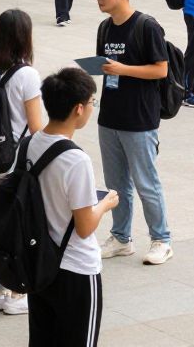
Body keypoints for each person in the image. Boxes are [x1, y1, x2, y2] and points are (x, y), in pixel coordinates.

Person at [27, 67, 119, 347]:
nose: (92, 108)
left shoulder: (30, 144)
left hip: (39, 262)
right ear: (78, 109)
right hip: (76, 268)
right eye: (92, 102)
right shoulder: (76, 160)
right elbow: (84, 226)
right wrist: (104, 204)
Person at [94, 0, 174, 265]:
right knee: (116, 185)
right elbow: (104, 66)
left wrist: (123, 69)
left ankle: (161, 239)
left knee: (145, 182)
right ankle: (121, 237)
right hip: (110, 117)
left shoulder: (146, 26)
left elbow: (161, 69)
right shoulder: (104, 28)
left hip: (139, 119)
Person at [0, 9, 44, 315]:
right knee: (20, 225)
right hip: (16, 162)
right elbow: (35, 126)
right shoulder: (27, 74)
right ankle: (17, 294)